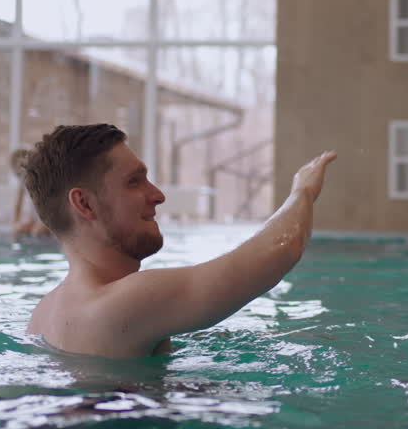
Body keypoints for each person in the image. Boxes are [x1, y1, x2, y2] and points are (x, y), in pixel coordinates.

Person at [22, 123, 337, 358]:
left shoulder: (44, 313)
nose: (157, 196)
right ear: (85, 204)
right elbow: (281, 248)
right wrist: (303, 190)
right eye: (134, 182)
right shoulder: (120, 303)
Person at [10, 149, 52, 236]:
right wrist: (16, 223)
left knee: (37, 231)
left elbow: (47, 208)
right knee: (18, 230)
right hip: (36, 218)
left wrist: (40, 224)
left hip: (48, 217)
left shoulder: (41, 181)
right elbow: (17, 207)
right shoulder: (22, 184)